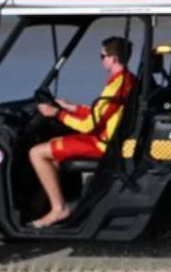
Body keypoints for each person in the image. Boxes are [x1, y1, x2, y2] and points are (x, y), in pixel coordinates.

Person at [27, 36, 136, 227]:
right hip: (108, 137)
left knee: (36, 153)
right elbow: (100, 112)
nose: (101, 60)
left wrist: (57, 114)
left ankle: (59, 209)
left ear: (114, 58)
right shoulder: (127, 79)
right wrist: (71, 106)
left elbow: (88, 125)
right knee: (52, 145)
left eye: (102, 56)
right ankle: (44, 204)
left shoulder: (116, 87)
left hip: (104, 144)